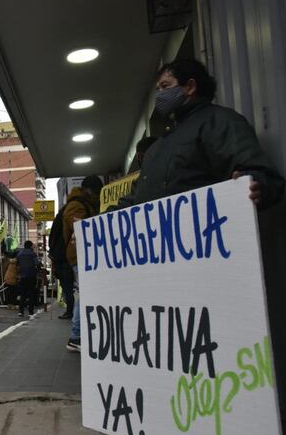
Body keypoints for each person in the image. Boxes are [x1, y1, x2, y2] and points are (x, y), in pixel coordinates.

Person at [121, 59, 284, 209]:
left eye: (165, 86)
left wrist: (255, 183)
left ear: (190, 87)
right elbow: (138, 197)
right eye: (158, 90)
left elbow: (262, 176)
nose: (159, 96)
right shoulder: (157, 147)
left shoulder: (219, 122)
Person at [64, 175, 103, 352]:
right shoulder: (76, 205)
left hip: (83, 254)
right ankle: (76, 336)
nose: (97, 197)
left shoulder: (82, 204)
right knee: (84, 294)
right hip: (80, 255)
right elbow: (79, 227)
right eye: (96, 193)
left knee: (85, 293)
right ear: (89, 191)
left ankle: (79, 334)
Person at [16, 241, 39, 318]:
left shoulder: (19, 254)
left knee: (23, 294)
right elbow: (37, 263)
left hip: (22, 277)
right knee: (31, 294)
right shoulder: (33, 254)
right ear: (30, 246)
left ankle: (21, 312)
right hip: (31, 276)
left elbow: (17, 264)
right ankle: (31, 311)